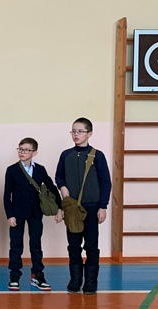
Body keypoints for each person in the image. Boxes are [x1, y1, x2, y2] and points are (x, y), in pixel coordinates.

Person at [55, 117, 111, 294]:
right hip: (72, 208)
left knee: (91, 245)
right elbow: (59, 176)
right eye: (73, 131)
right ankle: (75, 280)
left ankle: (91, 282)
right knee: (73, 245)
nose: (76, 135)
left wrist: (103, 206)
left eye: (80, 131)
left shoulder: (97, 155)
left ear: (89, 133)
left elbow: (105, 182)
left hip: (92, 207)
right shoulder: (66, 155)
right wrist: (62, 188)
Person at [3, 137, 62, 291]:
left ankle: (37, 275)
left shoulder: (40, 169)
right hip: (17, 213)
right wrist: (10, 215)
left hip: (36, 213)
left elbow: (52, 188)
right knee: (16, 245)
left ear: (34, 153)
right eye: (20, 149)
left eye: (26, 150)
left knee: (36, 245)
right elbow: (6, 195)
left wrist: (59, 208)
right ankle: (14, 276)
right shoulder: (12, 170)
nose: (22, 152)